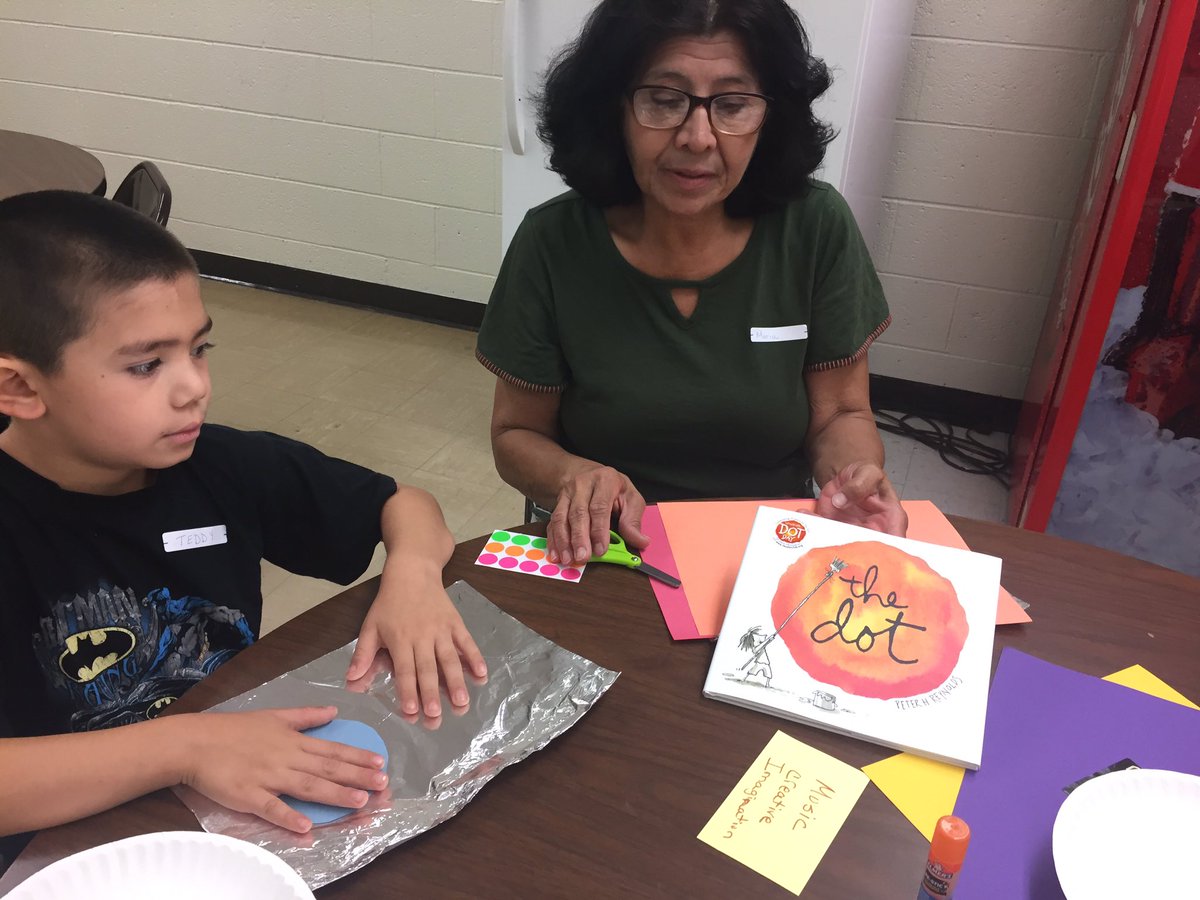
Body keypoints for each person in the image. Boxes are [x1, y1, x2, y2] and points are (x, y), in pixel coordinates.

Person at [0, 191, 487, 866]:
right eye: (147, 365)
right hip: (76, 842)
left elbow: (402, 504)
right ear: (21, 389)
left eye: (199, 349)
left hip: (238, 789)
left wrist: (412, 575)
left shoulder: (219, 465)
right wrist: (191, 746)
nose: (194, 386)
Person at [476, 0, 906, 569]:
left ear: (769, 117)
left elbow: (840, 415)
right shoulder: (552, 242)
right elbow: (514, 434)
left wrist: (850, 480)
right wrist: (572, 475)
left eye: (732, 105)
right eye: (663, 100)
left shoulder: (814, 227)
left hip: (768, 545)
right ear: (614, 109)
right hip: (606, 547)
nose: (698, 137)